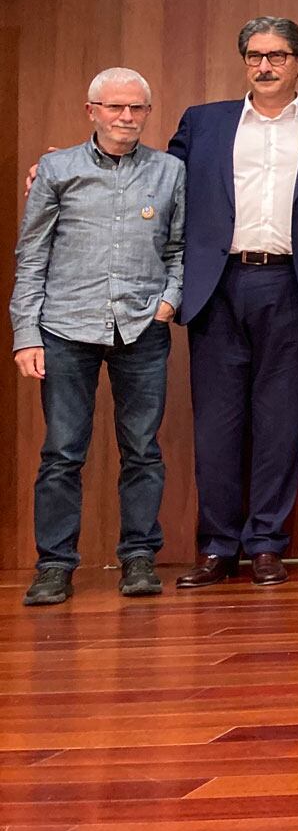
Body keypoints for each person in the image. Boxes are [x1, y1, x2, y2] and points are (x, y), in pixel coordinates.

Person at [170, 18, 298, 589]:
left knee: (280, 423)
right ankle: (216, 546)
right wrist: (68, 166)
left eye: (278, 55)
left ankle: (266, 544)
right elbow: (158, 183)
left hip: (292, 288)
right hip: (217, 286)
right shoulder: (204, 122)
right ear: (243, 62)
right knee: (217, 424)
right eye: (255, 55)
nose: (265, 66)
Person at [12, 70, 184, 605]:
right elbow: (31, 254)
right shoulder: (58, 169)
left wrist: (167, 304)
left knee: (142, 450)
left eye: (136, 108)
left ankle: (138, 559)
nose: (126, 118)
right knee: (62, 452)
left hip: (141, 328)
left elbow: (180, 249)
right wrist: (25, 334)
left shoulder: (170, 170)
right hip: (65, 327)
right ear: (92, 110)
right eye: (115, 108)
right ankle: (55, 565)